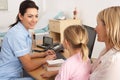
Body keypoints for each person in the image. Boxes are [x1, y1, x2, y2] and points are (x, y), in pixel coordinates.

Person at [0, 0, 56, 80]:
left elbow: (25, 55)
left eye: (36, 16)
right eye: (30, 16)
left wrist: (43, 54)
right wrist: (45, 60)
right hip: (6, 77)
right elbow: (29, 66)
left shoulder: (22, 30)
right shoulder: (17, 34)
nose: (34, 20)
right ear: (20, 16)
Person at [90, 6, 120, 80]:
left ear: (109, 27)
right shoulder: (106, 50)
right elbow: (92, 69)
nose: (95, 29)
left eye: (97, 24)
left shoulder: (114, 61)